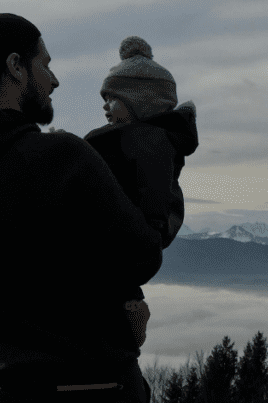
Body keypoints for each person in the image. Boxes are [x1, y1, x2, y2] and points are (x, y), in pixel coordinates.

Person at [0, 13, 159, 403]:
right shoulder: (64, 157)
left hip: (1, 391)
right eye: (45, 65)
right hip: (93, 387)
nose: (54, 79)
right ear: (15, 67)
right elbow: (143, 255)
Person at [79, 36, 198, 349]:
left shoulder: (147, 145)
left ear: (139, 101)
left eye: (112, 99)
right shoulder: (136, 143)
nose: (105, 106)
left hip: (110, 282)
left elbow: (148, 221)